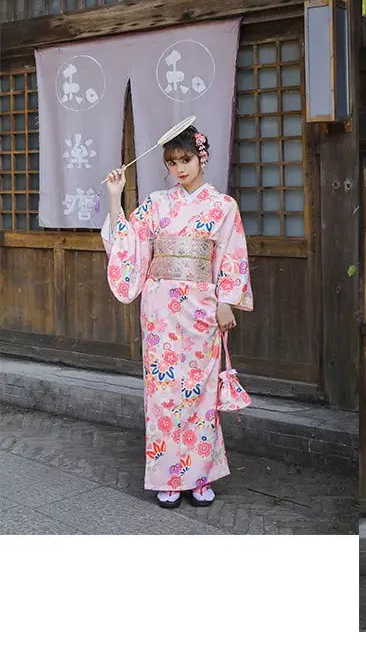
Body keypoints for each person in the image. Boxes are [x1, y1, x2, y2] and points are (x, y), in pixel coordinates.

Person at [101, 124, 253, 509]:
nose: (179, 169)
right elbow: (130, 245)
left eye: (185, 160)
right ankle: (168, 475)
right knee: (164, 392)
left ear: (202, 157)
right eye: (172, 162)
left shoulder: (223, 207)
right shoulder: (155, 203)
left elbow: (232, 255)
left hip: (202, 307)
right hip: (161, 311)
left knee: (201, 391)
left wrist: (226, 301)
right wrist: (115, 199)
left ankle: (200, 474)